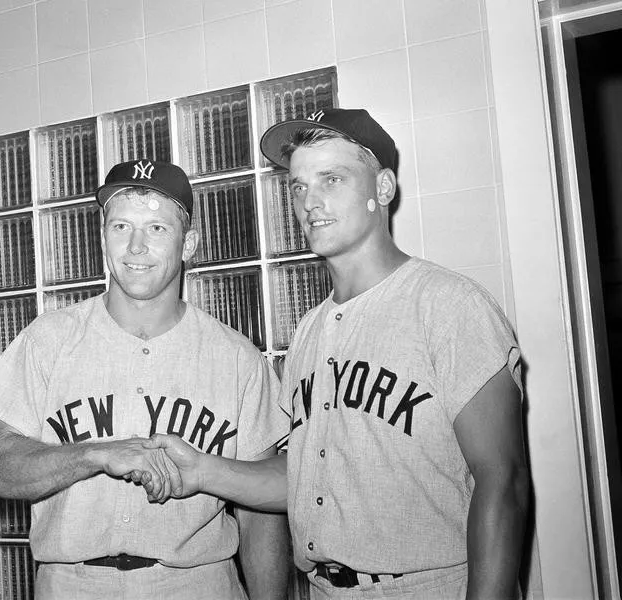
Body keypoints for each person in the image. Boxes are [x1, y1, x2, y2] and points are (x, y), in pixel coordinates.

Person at [140, 109, 531, 599]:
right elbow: (301, 477)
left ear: (383, 189)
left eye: (332, 179)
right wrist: (202, 471)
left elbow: (504, 479)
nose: (310, 201)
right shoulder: (310, 329)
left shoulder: (450, 306)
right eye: (299, 186)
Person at [0, 158, 290, 600]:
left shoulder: (237, 359)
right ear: (103, 237)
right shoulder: (47, 341)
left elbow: (262, 513)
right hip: (71, 586)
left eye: (156, 228)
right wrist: (95, 455)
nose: (136, 247)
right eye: (121, 227)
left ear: (189, 242)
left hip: (197, 585)